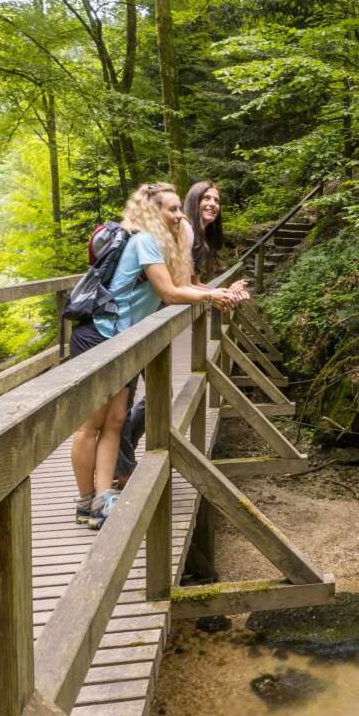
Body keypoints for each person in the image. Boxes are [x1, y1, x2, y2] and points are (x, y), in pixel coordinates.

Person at [71, 183, 238, 530]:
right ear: (152, 212)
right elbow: (169, 293)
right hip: (99, 337)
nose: (180, 216)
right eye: (173, 209)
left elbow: (183, 284)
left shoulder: (162, 243)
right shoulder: (145, 239)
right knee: (93, 423)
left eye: (180, 209)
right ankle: (86, 500)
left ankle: (103, 498)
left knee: (116, 420)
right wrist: (211, 297)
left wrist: (217, 292)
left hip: (125, 342)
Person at [110, 180, 250, 489]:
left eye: (217, 199)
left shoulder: (195, 234)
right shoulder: (181, 231)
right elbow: (176, 287)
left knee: (146, 399)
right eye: (206, 198)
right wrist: (213, 295)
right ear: (193, 200)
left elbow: (189, 282)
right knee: (125, 405)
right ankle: (120, 469)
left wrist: (219, 291)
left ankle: (122, 463)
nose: (212, 203)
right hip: (133, 324)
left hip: (147, 323)